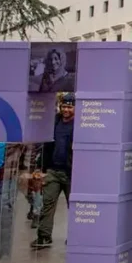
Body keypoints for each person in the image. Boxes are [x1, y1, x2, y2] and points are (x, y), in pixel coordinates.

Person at [31, 94, 75, 249]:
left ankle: (76, 236)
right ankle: (44, 236)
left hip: (72, 173)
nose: (66, 110)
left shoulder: (81, 125)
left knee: (75, 207)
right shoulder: (54, 123)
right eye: (64, 106)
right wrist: (40, 167)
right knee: (48, 204)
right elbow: (45, 146)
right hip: (53, 170)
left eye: (69, 107)